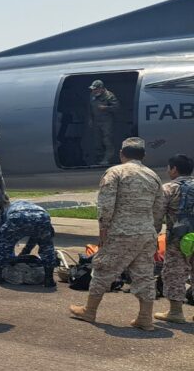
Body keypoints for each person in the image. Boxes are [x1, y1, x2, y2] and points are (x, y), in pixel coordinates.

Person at [70, 137, 165, 330]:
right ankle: (145, 318)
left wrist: (103, 230)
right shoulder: (153, 175)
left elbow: (106, 205)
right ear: (144, 156)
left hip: (122, 231)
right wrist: (153, 230)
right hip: (146, 232)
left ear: (122, 154)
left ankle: (89, 311)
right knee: (144, 274)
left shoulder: (115, 172)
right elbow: (158, 208)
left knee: (103, 268)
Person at [154, 154, 194, 323]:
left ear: (174, 169)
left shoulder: (168, 188)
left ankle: (176, 312)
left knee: (174, 273)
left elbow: (157, 214)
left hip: (179, 238)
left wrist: (154, 233)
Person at [0, 200, 57, 287]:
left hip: (17, 216)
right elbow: (36, 237)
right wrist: (25, 252)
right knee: (47, 248)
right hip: (42, 216)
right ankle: (49, 279)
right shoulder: (31, 205)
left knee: (3, 247)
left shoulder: (4, 210)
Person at [87, 79, 119, 165]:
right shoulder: (92, 95)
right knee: (97, 141)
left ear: (101, 88)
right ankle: (99, 160)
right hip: (96, 121)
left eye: (95, 89)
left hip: (106, 121)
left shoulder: (109, 96)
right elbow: (90, 108)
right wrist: (90, 119)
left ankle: (107, 159)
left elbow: (116, 107)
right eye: (93, 89)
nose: (93, 91)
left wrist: (106, 108)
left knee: (107, 141)